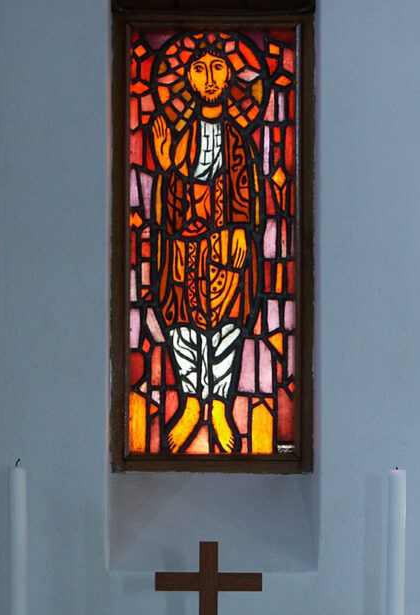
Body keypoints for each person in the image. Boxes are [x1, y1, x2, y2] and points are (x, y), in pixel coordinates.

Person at [150, 41, 262, 453]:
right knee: (181, 325)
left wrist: (237, 230)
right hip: (184, 247)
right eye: (201, 69)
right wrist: (166, 164)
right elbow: (167, 198)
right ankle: (191, 402)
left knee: (229, 327)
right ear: (190, 80)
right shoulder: (178, 138)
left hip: (227, 246)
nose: (211, 76)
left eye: (218, 68)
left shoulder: (236, 139)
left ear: (229, 78)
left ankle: (218, 404)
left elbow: (245, 190)